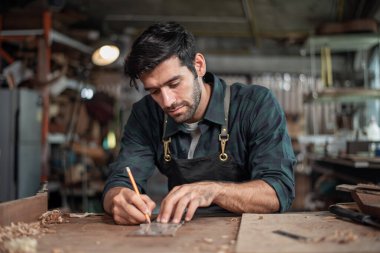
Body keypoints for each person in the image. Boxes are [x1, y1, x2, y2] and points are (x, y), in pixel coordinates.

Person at [102, 21, 296, 225]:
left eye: (174, 84)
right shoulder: (146, 114)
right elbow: (120, 181)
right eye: (154, 91)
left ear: (199, 66)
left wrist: (213, 191)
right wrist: (117, 199)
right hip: (183, 231)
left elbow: (278, 190)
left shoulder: (255, 105)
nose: (167, 101)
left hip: (250, 232)